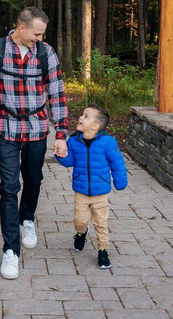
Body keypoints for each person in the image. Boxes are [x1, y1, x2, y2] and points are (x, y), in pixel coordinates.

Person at [0, 6, 68, 280]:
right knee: (8, 187)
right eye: (36, 33)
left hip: (38, 127)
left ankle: (27, 218)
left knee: (34, 179)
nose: (39, 38)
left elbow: (57, 93)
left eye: (43, 34)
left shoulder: (45, 53)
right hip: (5, 127)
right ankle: (10, 251)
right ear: (21, 27)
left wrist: (61, 133)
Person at [54, 104, 128, 269]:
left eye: (86, 116)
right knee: (79, 220)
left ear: (95, 126)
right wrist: (60, 155)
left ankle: (103, 250)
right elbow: (69, 161)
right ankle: (81, 232)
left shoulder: (108, 142)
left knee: (101, 223)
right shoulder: (74, 141)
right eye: (82, 114)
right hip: (81, 191)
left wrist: (120, 181)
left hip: (101, 191)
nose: (80, 117)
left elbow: (117, 162)